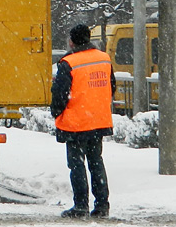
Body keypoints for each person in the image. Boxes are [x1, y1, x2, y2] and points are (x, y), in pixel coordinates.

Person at [51, 23, 116, 219]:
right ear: (88, 39)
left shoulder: (68, 63)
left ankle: (80, 206)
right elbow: (111, 87)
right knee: (96, 162)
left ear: (71, 41)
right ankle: (102, 205)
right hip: (98, 120)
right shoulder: (104, 59)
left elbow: (60, 94)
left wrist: (56, 112)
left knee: (77, 164)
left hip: (76, 123)